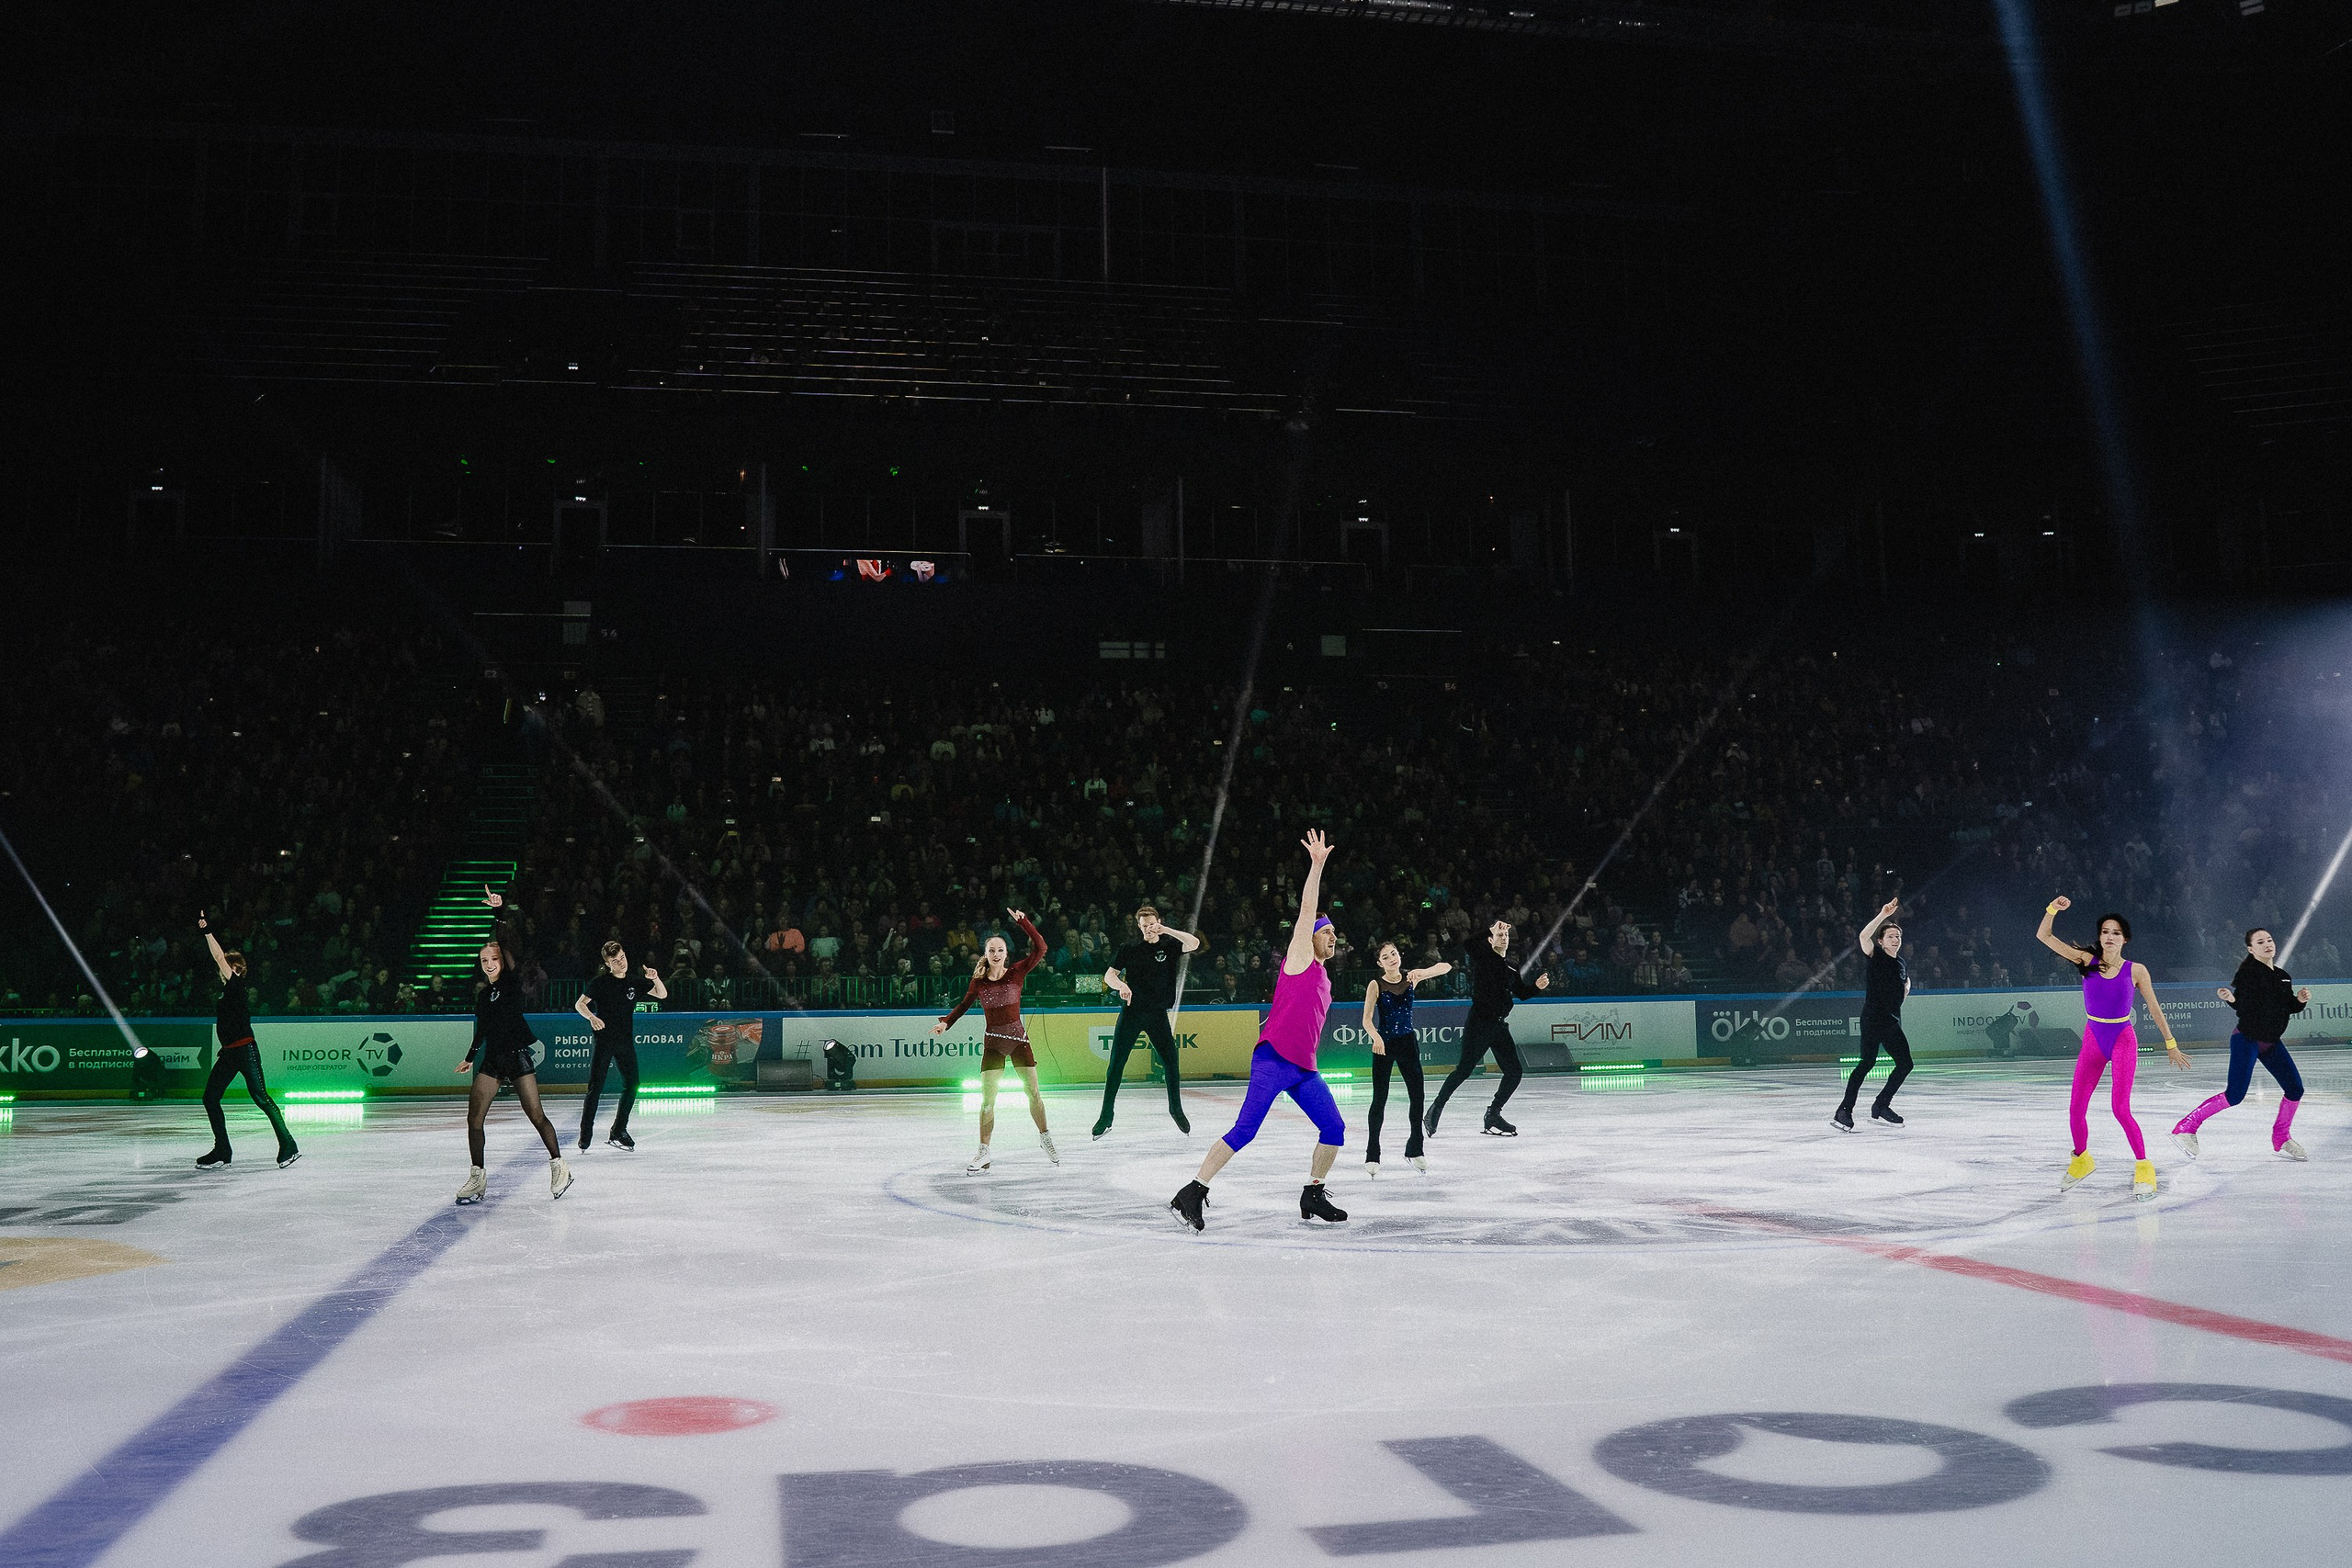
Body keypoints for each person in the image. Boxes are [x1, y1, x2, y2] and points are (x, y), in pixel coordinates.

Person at [1170, 831, 1350, 1230]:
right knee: (1245, 1130)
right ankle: (1192, 1191)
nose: (1332, 936)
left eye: (1335, 933)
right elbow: (1307, 910)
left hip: (1304, 1068)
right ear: (1309, 938)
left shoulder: (1323, 976)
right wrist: (1317, 866)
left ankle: (1313, 1194)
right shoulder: (1300, 958)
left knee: (1334, 1128)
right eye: (1326, 932)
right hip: (1272, 1060)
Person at [2035, 897, 2190, 1201]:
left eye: (2116, 933)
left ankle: (2144, 1167)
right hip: (2093, 1037)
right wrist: (2052, 909)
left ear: (2125, 939)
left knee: (2120, 1109)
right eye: (2105, 932)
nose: (2109, 936)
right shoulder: (2086, 961)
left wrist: (2170, 1043)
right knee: (2076, 1107)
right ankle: (2081, 1159)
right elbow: (2044, 936)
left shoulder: (2136, 970)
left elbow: (2155, 1009)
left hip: (2122, 1039)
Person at [454, 887, 571, 1203]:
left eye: (493, 959)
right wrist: (469, 1058)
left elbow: (504, 941)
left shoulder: (511, 981)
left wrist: (498, 913)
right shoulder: (483, 995)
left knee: (536, 1115)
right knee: (473, 1119)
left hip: (517, 1056)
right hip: (492, 1059)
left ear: (501, 962)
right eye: (484, 960)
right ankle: (477, 1177)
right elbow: (483, 1029)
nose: (489, 963)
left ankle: (560, 1166)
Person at [933, 908, 1057, 1172]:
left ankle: (1045, 1138)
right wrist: (946, 1022)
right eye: (992, 950)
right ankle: (983, 1152)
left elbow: (1041, 947)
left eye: (1000, 950)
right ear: (986, 954)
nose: (996, 954)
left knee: (1033, 1093)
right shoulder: (978, 982)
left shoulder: (1017, 972)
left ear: (1006, 954)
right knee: (988, 1101)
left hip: (1018, 1040)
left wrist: (1023, 922)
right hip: (993, 1045)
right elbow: (964, 1005)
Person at [2173, 927, 2309, 1161]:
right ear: (2251, 949)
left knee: (2295, 1089)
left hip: (2271, 1043)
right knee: (2235, 1095)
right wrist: (2232, 999)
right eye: (2260, 942)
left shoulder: (2283, 976)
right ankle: (2186, 1127)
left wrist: (2299, 1000)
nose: (2267, 944)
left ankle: (2281, 1136)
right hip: (2246, 1039)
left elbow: (2290, 1006)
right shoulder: (2249, 974)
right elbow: (2244, 1006)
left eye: (2269, 940)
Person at [1425, 918, 1551, 1138]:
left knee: (1514, 1071)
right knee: (1464, 1069)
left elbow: (1521, 993)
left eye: (1505, 936)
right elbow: (1469, 944)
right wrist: (1490, 927)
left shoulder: (1511, 966)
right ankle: (1435, 1108)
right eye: (1499, 935)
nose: (1503, 938)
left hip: (1499, 1026)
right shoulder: (1484, 957)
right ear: (1491, 940)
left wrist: (1536, 987)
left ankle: (1493, 1113)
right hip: (1480, 1023)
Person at [192, 910, 299, 1170]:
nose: (221, 969)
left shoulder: (236, 985)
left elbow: (218, 956)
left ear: (235, 969)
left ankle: (289, 1145)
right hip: (229, 1053)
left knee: (261, 1097)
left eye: (226, 966)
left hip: (245, 1051)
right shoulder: (227, 992)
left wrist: (207, 931)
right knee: (210, 1098)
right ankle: (223, 1149)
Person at [1091, 903, 1201, 1139]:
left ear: (1157, 922)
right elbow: (1109, 975)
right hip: (1132, 1012)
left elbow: (1194, 944)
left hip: (1157, 1014)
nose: (1148, 929)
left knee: (1171, 1062)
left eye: (1152, 924)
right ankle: (1105, 1116)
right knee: (1115, 1066)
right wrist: (1121, 985)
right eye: (1144, 926)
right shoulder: (1129, 948)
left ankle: (1176, 1110)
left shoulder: (1169, 945)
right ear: (1139, 927)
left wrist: (1167, 930)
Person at [1360, 942, 1451, 1176]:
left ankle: (1415, 1149)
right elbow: (1367, 1020)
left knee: (1417, 1096)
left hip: (1408, 1043)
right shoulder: (1376, 984)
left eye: (1394, 954)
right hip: (1384, 1045)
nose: (1392, 958)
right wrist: (1376, 1038)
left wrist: (1423, 972)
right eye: (1385, 957)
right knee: (1380, 1099)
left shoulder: (1411, 978)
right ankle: (1372, 1152)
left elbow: (1446, 966)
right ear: (1380, 963)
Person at [573, 942, 666, 1152]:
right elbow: (580, 1004)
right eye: (615, 961)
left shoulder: (634, 982)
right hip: (604, 1040)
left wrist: (655, 978)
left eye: (622, 958)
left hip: (625, 1041)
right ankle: (585, 1133)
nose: (621, 963)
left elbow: (662, 994)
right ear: (608, 964)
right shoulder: (600, 983)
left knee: (633, 1084)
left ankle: (619, 1130)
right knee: (595, 1088)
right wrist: (591, 1017)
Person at [1834, 898, 1912, 1132]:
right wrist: (1882, 915)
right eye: (1890, 936)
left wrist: (1905, 991)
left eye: (1897, 937)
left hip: (1891, 1021)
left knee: (1905, 1064)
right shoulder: (1875, 955)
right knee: (1867, 1062)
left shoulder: (1901, 964)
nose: (1895, 940)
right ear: (1881, 941)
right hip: (1872, 1018)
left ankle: (1881, 1105)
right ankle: (1844, 1111)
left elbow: (1896, 998)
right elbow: (1862, 937)